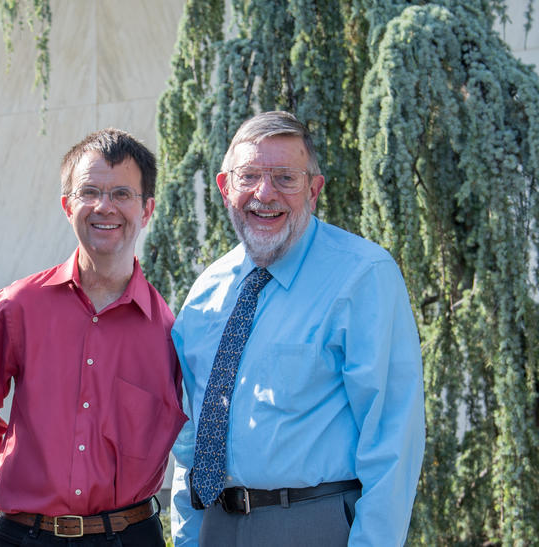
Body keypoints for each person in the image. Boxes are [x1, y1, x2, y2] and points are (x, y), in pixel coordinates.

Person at [170, 111, 425, 546]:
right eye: (248, 176)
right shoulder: (205, 293)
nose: (264, 194)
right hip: (216, 526)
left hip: (314, 524)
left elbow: (392, 439)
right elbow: (190, 439)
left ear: (314, 189)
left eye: (285, 177)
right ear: (224, 187)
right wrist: (189, 539)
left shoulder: (363, 276)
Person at [0, 128, 187, 546]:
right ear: (66, 205)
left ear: (146, 210)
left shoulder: (170, 331)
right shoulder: (17, 306)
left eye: (121, 194)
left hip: (130, 535)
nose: (103, 207)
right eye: (88, 191)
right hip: (24, 535)